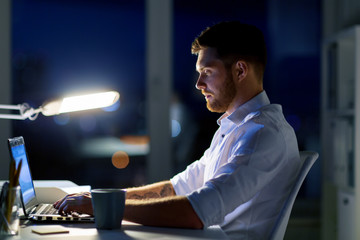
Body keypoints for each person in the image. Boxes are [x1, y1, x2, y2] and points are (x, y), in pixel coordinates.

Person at [54, 21, 301, 239]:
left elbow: (196, 212)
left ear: (240, 70)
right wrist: (105, 199)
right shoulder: (235, 127)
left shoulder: (262, 133)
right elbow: (176, 188)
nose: (199, 84)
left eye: (207, 72)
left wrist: (101, 207)